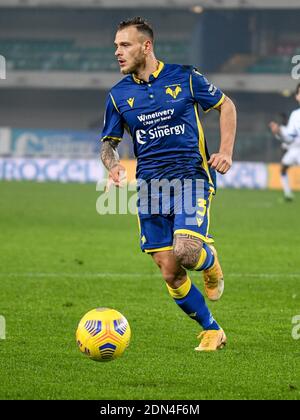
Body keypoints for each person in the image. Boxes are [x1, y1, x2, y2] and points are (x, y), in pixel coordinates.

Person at [100, 17, 237, 351]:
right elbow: (108, 143)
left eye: (125, 45)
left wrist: (226, 152)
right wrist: (113, 166)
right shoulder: (118, 96)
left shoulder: (186, 77)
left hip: (191, 176)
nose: (117, 52)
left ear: (146, 46)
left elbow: (226, 105)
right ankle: (212, 329)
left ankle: (209, 260)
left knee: (187, 252)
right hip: (150, 188)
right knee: (170, 272)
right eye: (116, 46)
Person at [269, 84, 300, 201]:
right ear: (297, 97)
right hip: (295, 150)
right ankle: (287, 194)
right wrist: (279, 132)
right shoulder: (295, 115)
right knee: (283, 169)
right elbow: (289, 138)